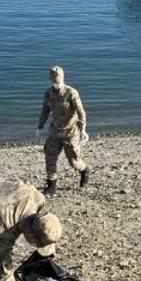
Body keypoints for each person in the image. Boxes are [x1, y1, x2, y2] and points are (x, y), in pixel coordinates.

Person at [36, 66, 89, 195]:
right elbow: (45, 111)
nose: (56, 82)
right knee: (50, 157)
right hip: (55, 131)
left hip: (70, 132)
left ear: (62, 78)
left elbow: (81, 112)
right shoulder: (48, 93)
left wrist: (83, 129)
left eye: (58, 79)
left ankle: (85, 171)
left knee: (74, 162)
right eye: (54, 79)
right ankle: (51, 185)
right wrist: (39, 127)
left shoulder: (71, 93)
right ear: (50, 79)